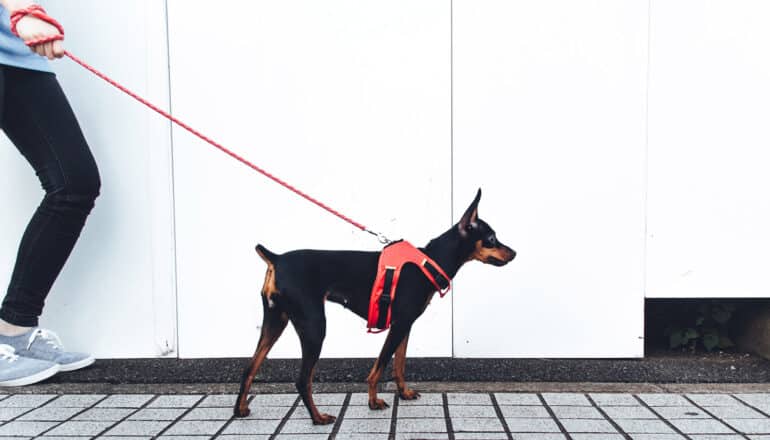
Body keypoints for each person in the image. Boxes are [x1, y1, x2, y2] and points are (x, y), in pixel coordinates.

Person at [0, 0, 98, 386]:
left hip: (15, 53)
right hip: (17, 27)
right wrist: (23, 11)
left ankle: (15, 327)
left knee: (75, 184)